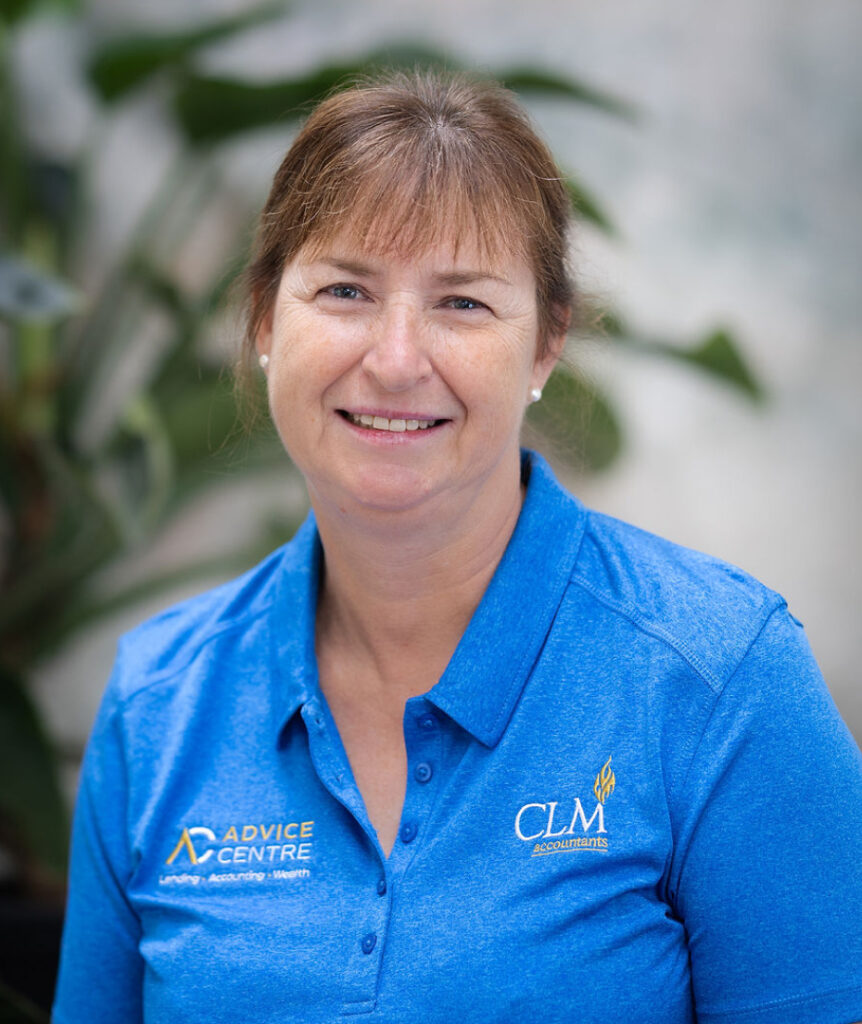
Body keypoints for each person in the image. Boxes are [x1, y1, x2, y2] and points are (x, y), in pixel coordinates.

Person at [53, 71, 862, 1024]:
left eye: (463, 304)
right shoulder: (157, 704)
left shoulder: (719, 678)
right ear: (266, 318)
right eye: (345, 290)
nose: (396, 360)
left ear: (547, 343)